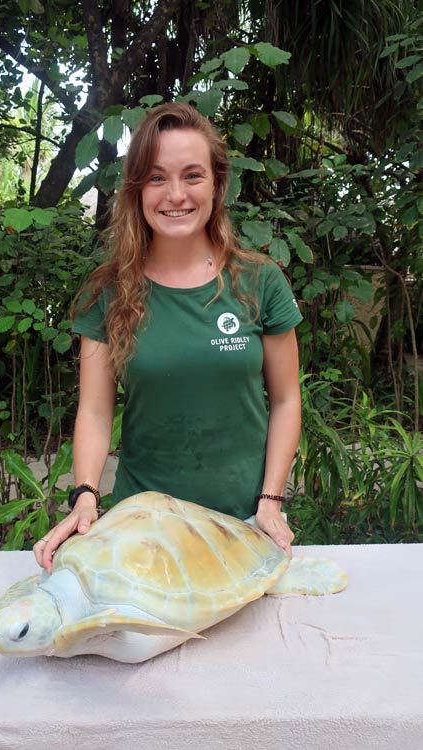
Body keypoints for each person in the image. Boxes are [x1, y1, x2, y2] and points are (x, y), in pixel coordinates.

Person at [34, 102, 302, 573]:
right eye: (157, 178)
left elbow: (285, 399)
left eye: (192, 175)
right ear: (137, 189)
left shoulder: (260, 281)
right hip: (144, 527)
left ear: (218, 184)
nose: (175, 194)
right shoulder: (109, 290)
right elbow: (95, 412)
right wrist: (85, 497)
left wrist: (271, 500)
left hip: (243, 523)